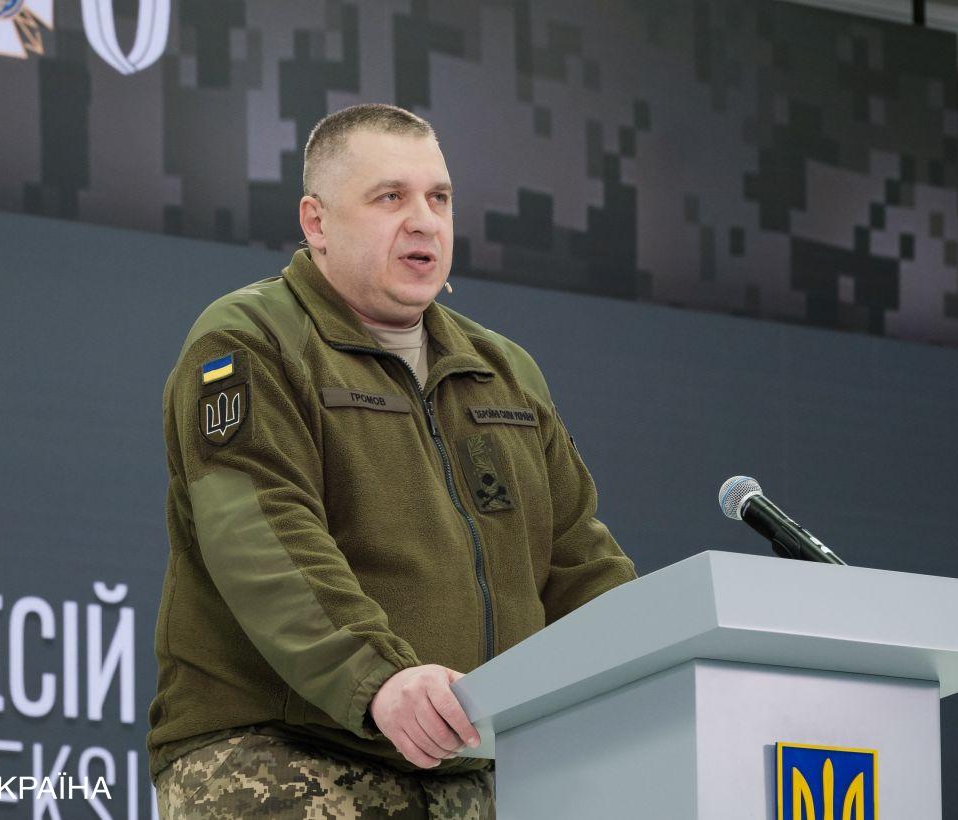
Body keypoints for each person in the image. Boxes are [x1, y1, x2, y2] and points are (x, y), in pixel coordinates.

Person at [148, 103, 637, 818]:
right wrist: (378, 679)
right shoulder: (249, 341)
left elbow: (580, 563)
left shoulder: (503, 371)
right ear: (316, 222)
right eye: (390, 198)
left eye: (439, 198)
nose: (424, 221)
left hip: (475, 771)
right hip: (281, 757)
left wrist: (656, 664)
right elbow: (262, 539)